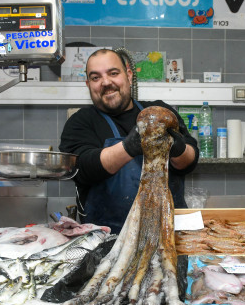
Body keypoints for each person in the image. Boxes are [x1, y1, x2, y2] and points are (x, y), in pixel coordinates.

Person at [60, 49, 199, 233]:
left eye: (113, 73)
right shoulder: (80, 122)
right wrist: (129, 147)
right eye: (95, 78)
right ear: (88, 84)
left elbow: (190, 162)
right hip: (108, 239)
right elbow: (82, 168)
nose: (106, 82)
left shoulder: (160, 111)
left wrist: (178, 147)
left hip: (169, 232)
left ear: (129, 75)